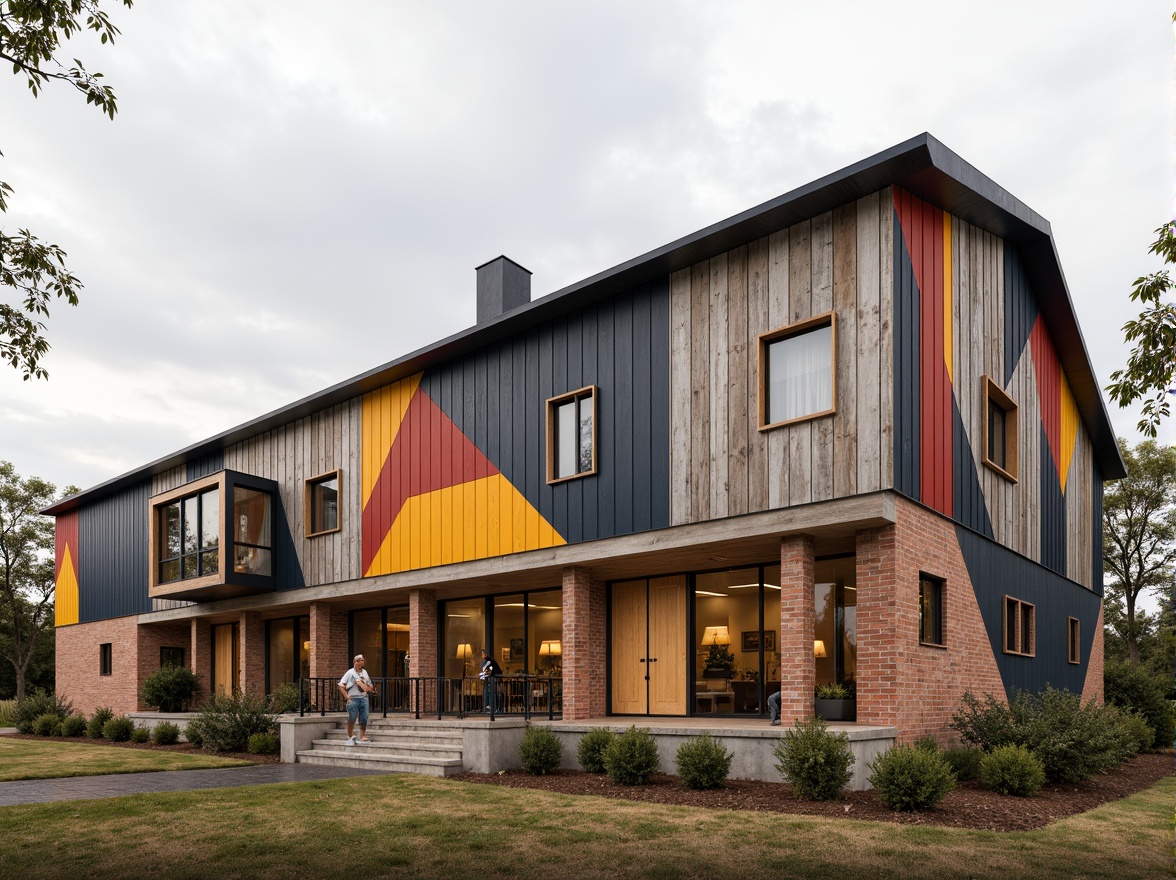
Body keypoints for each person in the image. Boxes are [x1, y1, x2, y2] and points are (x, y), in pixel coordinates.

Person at [338, 654, 375, 744]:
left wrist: (366, 687)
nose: (360, 663)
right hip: (353, 698)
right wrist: (347, 697)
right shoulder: (350, 673)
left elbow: (370, 685)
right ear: (354, 662)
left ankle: (362, 735)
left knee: (364, 717)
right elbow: (341, 686)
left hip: (363, 698)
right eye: (358, 661)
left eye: (361, 660)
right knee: (352, 718)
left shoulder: (365, 672)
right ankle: (350, 736)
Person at [479, 648, 502, 712]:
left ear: (485, 654)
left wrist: (484, 675)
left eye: (482, 654)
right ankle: (492, 709)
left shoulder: (488, 661)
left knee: (490, 695)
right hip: (492, 681)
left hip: (492, 681)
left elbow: (488, 671)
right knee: (490, 695)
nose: (482, 655)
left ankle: (491, 709)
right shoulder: (489, 661)